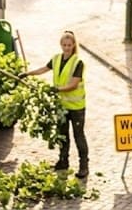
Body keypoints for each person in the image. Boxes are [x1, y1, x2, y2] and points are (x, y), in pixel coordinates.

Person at [24, 30, 90, 176]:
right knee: (62, 134)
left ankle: (83, 166)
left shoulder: (78, 62)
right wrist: (28, 74)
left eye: (69, 45)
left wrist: (57, 89)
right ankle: (63, 162)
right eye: (64, 45)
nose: (66, 47)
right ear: (61, 45)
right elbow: (43, 69)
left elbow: (73, 84)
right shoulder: (56, 59)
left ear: (73, 45)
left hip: (76, 107)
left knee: (79, 136)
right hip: (61, 106)